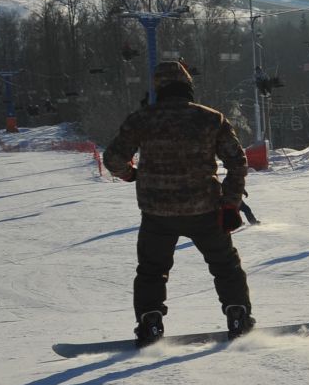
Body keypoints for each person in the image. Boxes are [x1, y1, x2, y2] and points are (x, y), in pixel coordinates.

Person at [103, 60, 256, 344]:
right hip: (205, 209)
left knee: (151, 270)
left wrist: (129, 175)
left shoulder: (141, 119)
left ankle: (150, 321)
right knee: (225, 266)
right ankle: (237, 314)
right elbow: (238, 162)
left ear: (158, 89)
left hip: (156, 213)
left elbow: (113, 159)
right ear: (188, 86)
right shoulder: (211, 118)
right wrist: (231, 203)